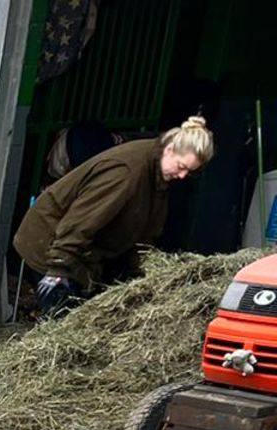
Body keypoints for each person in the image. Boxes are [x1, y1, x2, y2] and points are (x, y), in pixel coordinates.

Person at [14, 116, 214, 315]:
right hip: (52, 244)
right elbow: (80, 221)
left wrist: (143, 275)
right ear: (169, 149)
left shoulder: (157, 174)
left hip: (86, 252)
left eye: (189, 172)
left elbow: (145, 231)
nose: (182, 176)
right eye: (181, 167)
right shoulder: (126, 174)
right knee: (63, 318)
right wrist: (59, 269)